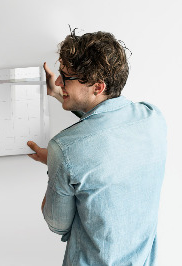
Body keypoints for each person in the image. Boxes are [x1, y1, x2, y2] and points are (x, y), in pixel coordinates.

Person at [27, 30, 167, 265]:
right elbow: (107, 123)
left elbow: (57, 224)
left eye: (66, 77)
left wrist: (55, 163)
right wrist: (60, 94)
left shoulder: (64, 149)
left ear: (98, 87)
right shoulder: (153, 118)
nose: (59, 81)